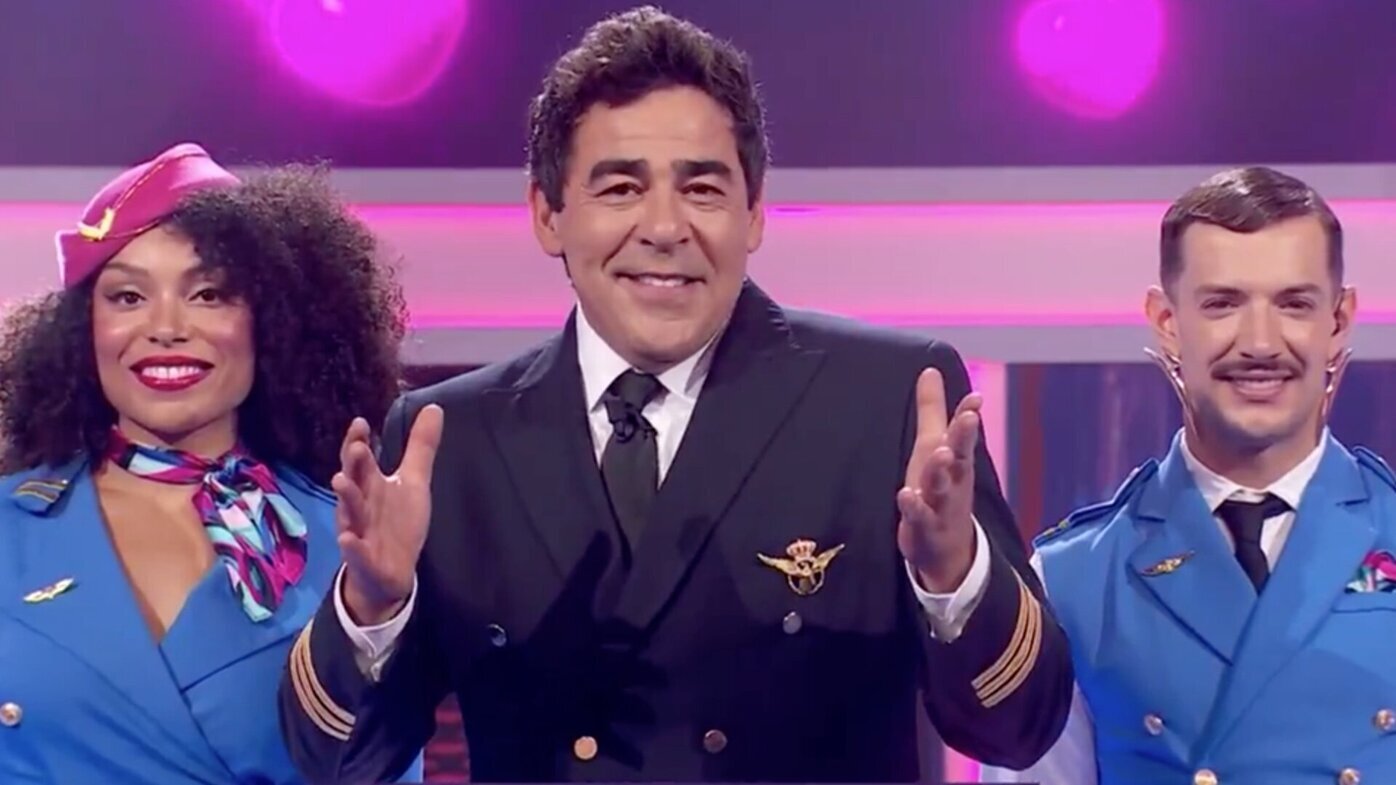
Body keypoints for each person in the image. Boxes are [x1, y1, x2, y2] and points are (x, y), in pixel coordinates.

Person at [279, 7, 1073, 783]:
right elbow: (338, 762)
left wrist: (955, 576)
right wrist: (372, 606)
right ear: (548, 214)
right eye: (622, 188)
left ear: (753, 213)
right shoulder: (451, 440)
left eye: (702, 189)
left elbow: (1019, 730)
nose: (664, 227)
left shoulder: (887, 399)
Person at [0, 143, 421, 784]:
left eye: (208, 293)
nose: (166, 327)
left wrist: (378, 611)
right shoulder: (10, 527)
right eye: (127, 297)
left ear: (268, 324)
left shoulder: (348, 543)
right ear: (85, 332)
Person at [980, 166, 1395, 785]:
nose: (1260, 343)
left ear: (1338, 321)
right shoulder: (1070, 578)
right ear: (1167, 322)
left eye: (1294, 304)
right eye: (1223, 304)